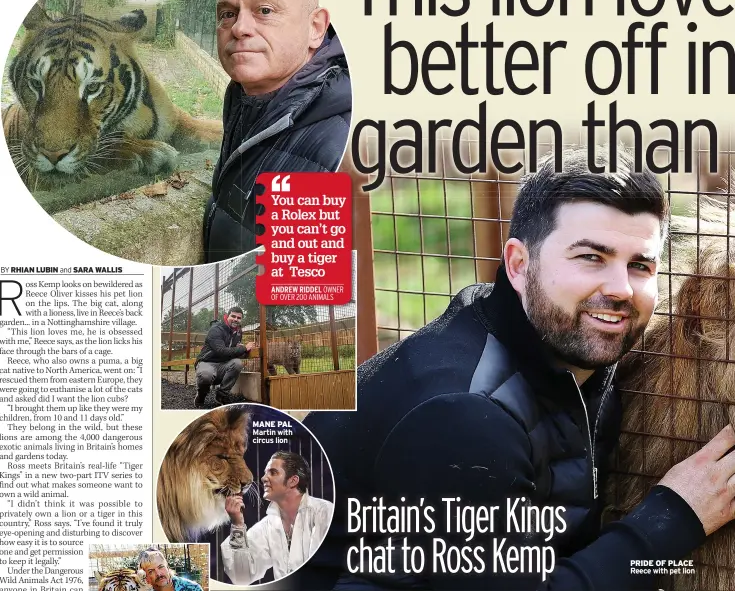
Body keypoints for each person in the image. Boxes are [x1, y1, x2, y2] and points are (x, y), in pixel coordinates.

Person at [298, 151, 735, 590]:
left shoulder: (568, 348)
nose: (621, 289)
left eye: (639, 265)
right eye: (590, 257)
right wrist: (675, 517)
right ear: (519, 264)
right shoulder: (467, 416)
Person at [204, 0, 351, 262]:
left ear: (315, 28)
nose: (239, 28)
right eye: (228, 13)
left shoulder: (341, 138)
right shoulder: (245, 97)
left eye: (265, 10)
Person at [221, 451, 334, 585]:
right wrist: (237, 524)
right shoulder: (268, 525)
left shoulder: (325, 512)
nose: (263, 478)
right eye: (265, 472)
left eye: (273, 472)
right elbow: (241, 577)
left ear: (293, 481)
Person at [194, 306, 255, 407]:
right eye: (233, 316)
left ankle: (221, 395)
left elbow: (235, 350)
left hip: (224, 365)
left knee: (237, 363)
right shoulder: (216, 329)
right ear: (226, 316)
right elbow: (221, 351)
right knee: (206, 375)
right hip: (207, 362)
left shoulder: (238, 332)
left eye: (239, 318)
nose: (236, 319)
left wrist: (246, 350)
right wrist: (244, 348)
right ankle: (201, 395)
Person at [137, 547, 203, 591]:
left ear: (167, 567)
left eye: (161, 567)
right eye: (151, 571)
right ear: (146, 577)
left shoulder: (192, 588)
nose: (158, 574)